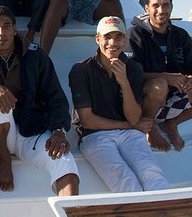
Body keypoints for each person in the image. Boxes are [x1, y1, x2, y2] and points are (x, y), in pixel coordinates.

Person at [0, 6, 79, 196]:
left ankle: (72, 211)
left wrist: (59, 130)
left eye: (7, 26)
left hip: (32, 131)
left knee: (64, 160)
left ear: (15, 29)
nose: (1, 32)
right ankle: (3, 158)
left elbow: (55, 96)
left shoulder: (36, 56)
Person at [69, 16, 170, 192]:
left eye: (117, 37)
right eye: (107, 37)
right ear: (98, 39)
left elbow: (133, 117)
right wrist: (130, 125)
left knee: (153, 174)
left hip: (129, 134)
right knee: (124, 179)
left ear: (124, 40)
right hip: (95, 135)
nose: (112, 43)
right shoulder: (81, 70)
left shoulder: (133, 69)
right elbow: (88, 121)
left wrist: (124, 81)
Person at [126, 0, 192, 151]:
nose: (161, 10)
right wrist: (166, 77)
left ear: (171, 7)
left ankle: (171, 123)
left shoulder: (180, 35)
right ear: (147, 8)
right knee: (159, 84)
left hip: (176, 96)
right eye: (156, 5)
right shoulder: (135, 35)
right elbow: (131, 75)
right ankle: (149, 127)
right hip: (147, 99)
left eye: (165, 5)